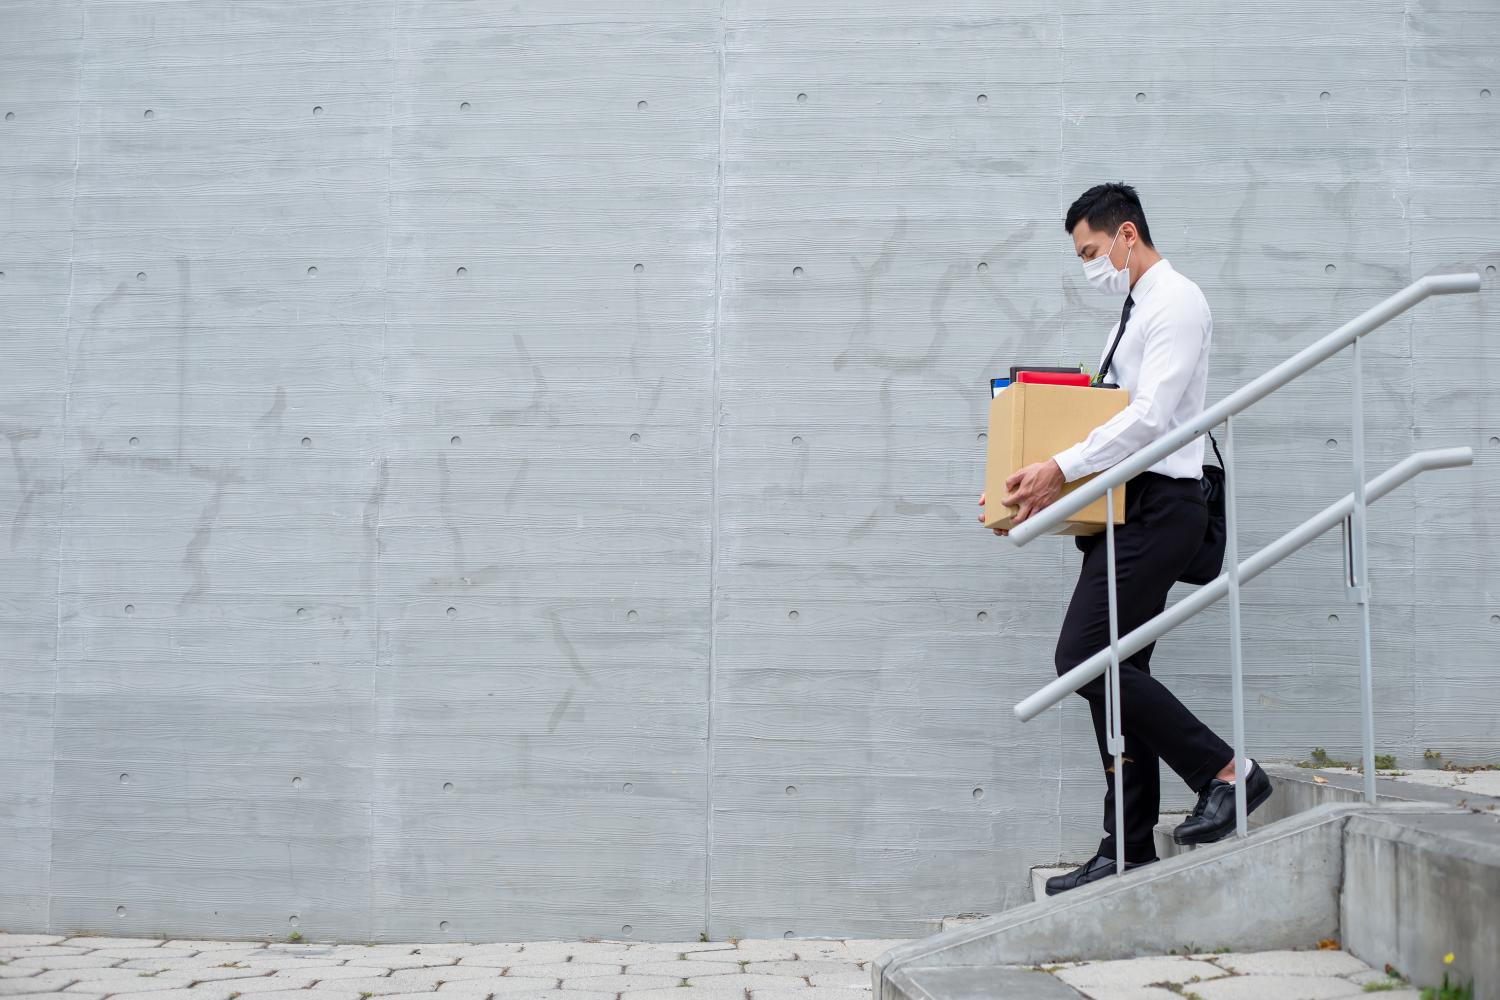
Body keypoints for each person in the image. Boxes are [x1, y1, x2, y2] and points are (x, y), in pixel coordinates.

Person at [978, 182, 1272, 894]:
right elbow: (1098, 411)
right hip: (1127, 507)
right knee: (1118, 678)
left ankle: (1228, 771)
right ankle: (1128, 845)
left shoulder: (1176, 302)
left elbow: (1149, 418)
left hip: (1165, 506)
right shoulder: (1132, 312)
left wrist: (1059, 467)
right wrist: (1027, 480)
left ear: (1126, 235)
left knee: (1082, 656)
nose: (1090, 266)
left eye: (1090, 251)